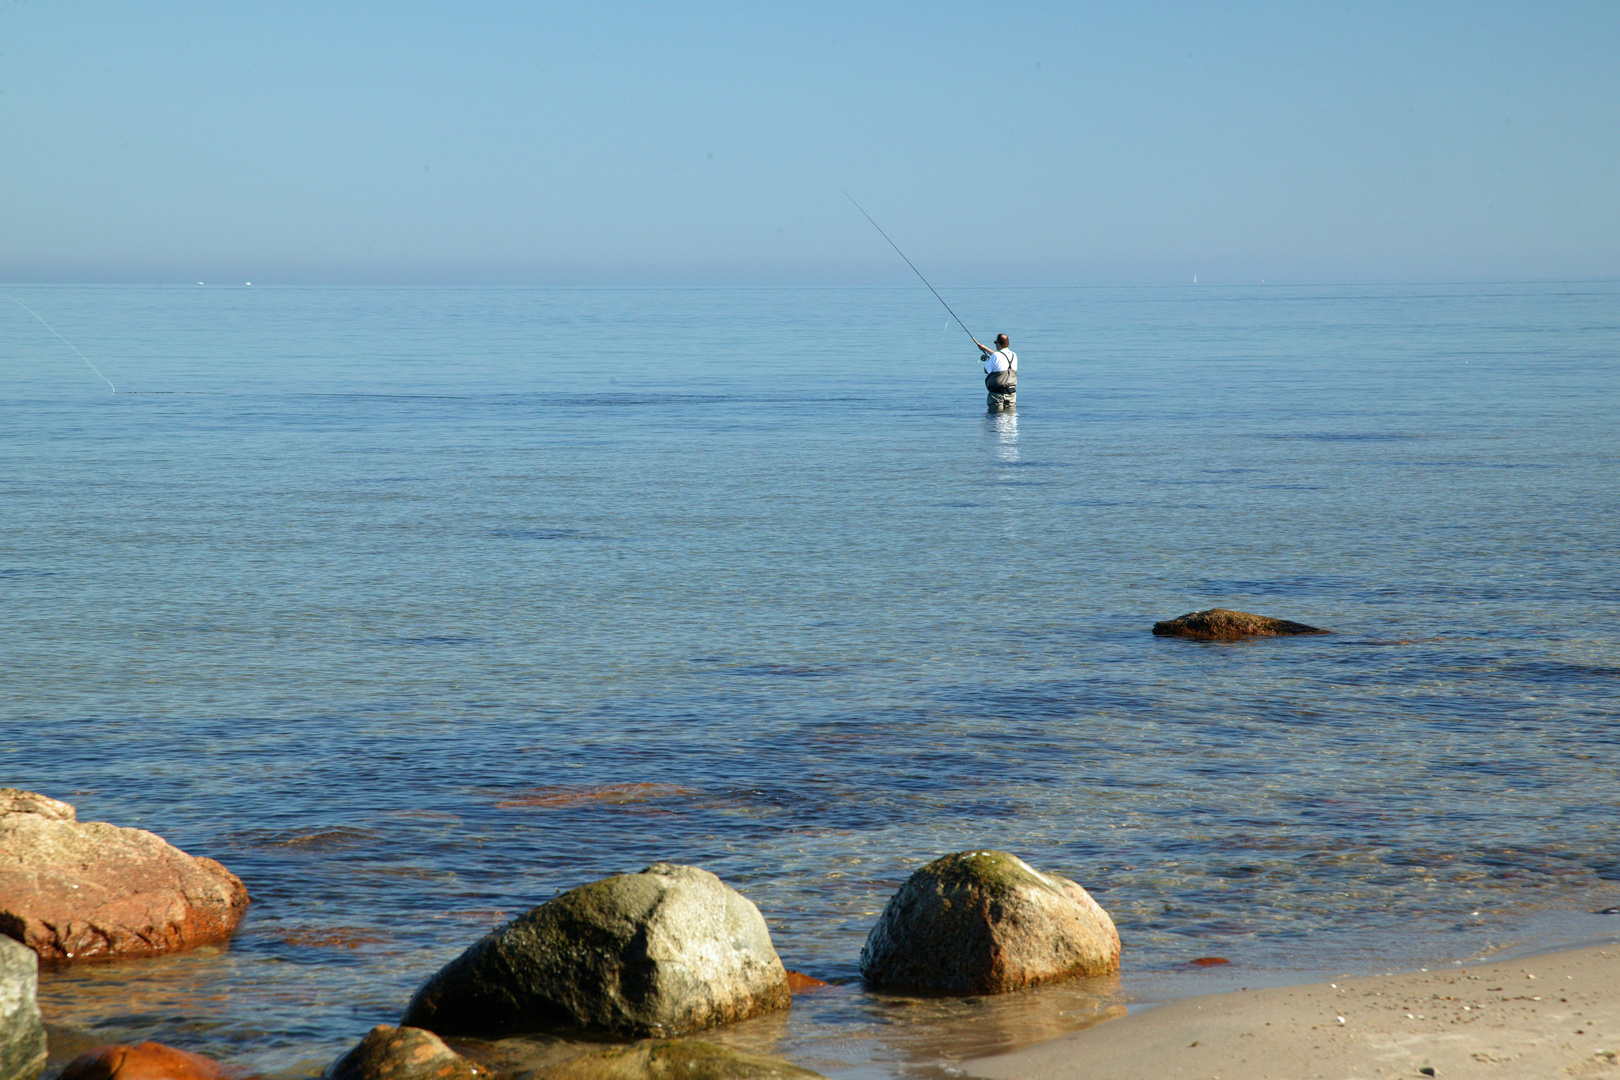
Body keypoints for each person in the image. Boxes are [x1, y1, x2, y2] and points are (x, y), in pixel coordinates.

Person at [976, 333, 1017, 413]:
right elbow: (999, 356)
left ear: (999, 343)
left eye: (995, 342)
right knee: (1010, 417)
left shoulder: (996, 356)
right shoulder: (1013, 355)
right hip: (1011, 393)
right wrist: (984, 348)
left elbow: (986, 370)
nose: (995, 344)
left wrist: (990, 361)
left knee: (995, 417)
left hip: (997, 394)